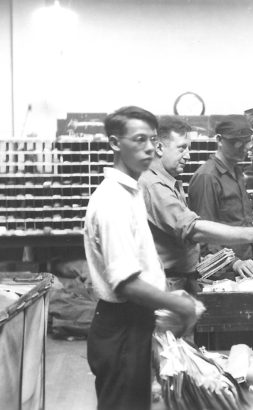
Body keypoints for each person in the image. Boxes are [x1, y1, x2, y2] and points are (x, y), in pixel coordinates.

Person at [83, 106, 199, 410]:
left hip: (134, 322)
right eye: (138, 140)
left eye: (151, 139)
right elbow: (125, 284)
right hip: (121, 326)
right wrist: (179, 304)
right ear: (114, 143)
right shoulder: (113, 201)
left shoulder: (132, 191)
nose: (149, 148)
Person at [140, 116, 253, 287]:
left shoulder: (169, 182)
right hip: (174, 281)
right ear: (160, 147)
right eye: (182, 148)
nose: (188, 155)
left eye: (189, 148)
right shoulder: (156, 184)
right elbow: (195, 230)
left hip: (185, 278)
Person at [188, 116, 253, 270]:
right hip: (224, 271)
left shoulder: (237, 171)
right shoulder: (207, 177)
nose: (244, 147)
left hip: (247, 264)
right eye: (236, 142)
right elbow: (204, 235)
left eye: (246, 141)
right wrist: (235, 263)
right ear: (220, 140)